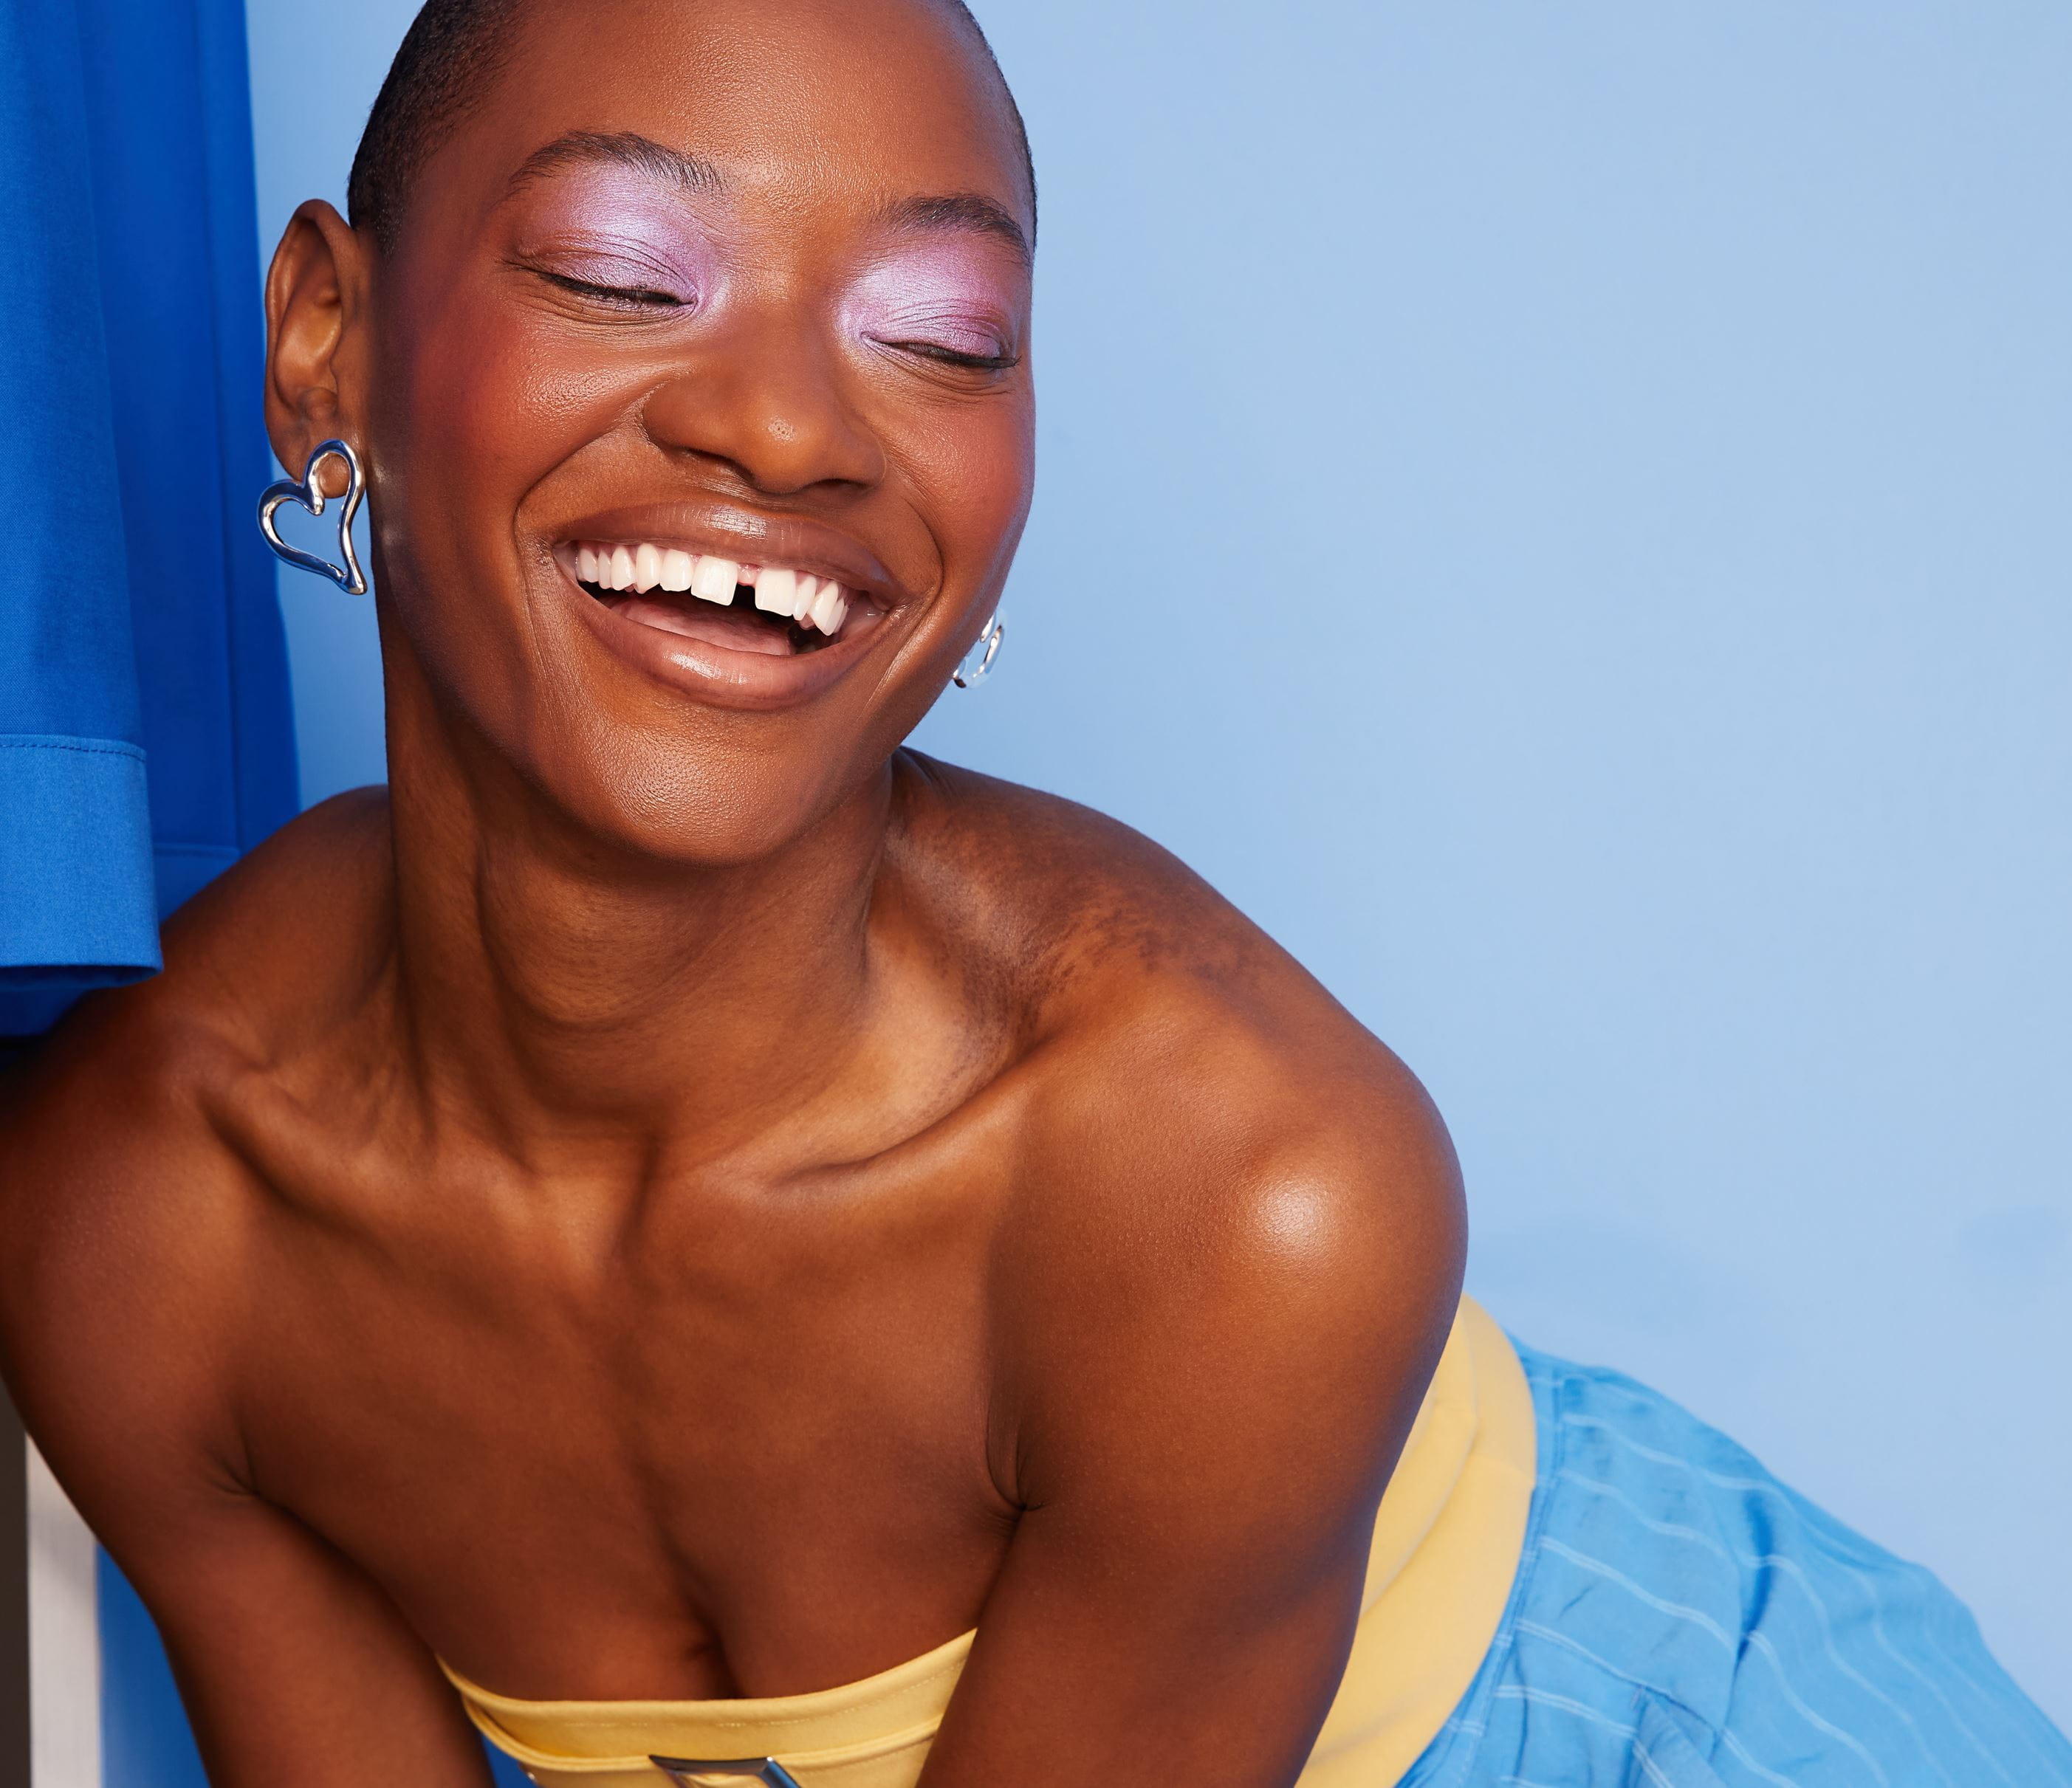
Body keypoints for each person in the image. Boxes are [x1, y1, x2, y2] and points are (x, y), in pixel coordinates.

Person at [1, 1, 2065, 1784]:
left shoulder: (1245, 1189)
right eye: (623, 276)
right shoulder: (142, 1215)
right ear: (327, 338)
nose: (787, 425)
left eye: (942, 338)